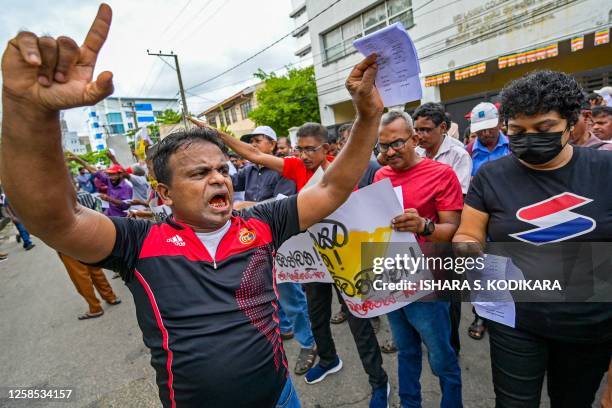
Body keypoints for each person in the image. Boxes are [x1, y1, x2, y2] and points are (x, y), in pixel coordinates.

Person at [0, 5, 387, 406]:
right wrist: (30, 113)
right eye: (199, 173)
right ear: (165, 194)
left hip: (281, 398)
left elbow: (333, 189)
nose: (218, 178)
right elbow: (54, 220)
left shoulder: (263, 222)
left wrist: (368, 115)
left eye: (221, 169)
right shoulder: (139, 242)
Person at [192, 116, 389, 405]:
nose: (304, 156)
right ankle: (329, 359)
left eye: (311, 149)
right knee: (317, 315)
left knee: (359, 323)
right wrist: (214, 133)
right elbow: (254, 154)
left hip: (347, 257)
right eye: (300, 149)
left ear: (328, 148)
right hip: (313, 258)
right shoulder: (297, 168)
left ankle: (378, 383)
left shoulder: (344, 169)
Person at [453, 70, 612, 407]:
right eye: (518, 131)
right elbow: (468, 232)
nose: (529, 138)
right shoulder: (490, 176)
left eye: (543, 129)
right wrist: (471, 254)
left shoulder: (606, 169)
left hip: (590, 323)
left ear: (571, 123)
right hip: (516, 320)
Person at [373, 110, 463, 408]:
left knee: (441, 356)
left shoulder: (441, 173)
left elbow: (452, 231)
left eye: (397, 143)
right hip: (393, 278)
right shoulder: (380, 175)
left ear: (414, 139)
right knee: (405, 350)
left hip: (431, 283)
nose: (389, 152)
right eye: (383, 146)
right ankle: (410, 403)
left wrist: (424, 226)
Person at [232, 125, 317, 376]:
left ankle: (308, 344)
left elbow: (285, 205)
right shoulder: (247, 171)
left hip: (283, 241)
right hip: (256, 241)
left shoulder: (283, 168)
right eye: (250, 142)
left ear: (271, 144)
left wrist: (250, 206)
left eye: (257, 141)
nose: (253, 146)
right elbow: (226, 183)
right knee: (268, 289)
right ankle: (285, 327)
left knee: (291, 296)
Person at [59, 188, 121, 320]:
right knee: (95, 270)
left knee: (80, 276)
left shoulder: (55, 202)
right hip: (88, 238)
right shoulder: (83, 194)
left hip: (67, 242)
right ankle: (111, 297)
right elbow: (98, 210)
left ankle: (95, 307)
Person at [413, 103, 472, 194]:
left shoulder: (459, 155)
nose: (419, 136)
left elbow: (459, 194)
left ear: (443, 127)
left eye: (426, 130)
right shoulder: (415, 153)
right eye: (417, 130)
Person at [467, 102, 510, 176]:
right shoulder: (468, 152)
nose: (486, 133)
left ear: (499, 123)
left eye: (490, 128)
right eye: (481, 129)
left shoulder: (513, 145)